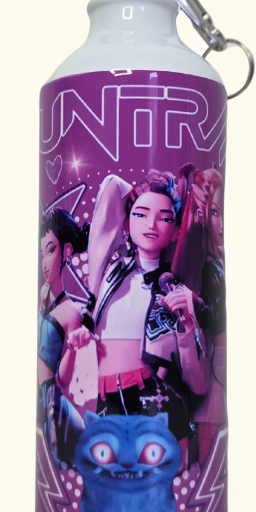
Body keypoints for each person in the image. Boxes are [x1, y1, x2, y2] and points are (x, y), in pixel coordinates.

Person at [68, 170, 208, 471]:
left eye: (164, 218)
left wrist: (186, 325)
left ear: (176, 230)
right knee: (108, 479)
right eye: (140, 214)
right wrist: (145, 190)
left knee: (167, 472)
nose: (151, 225)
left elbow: (197, 381)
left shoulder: (173, 287)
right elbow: (111, 188)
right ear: (127, 219)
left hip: (150, 395)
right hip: (106, 397)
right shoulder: (110, 269)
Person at [38, 209, 88, 465]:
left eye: (50, 251)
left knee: (52, 462)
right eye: (41, 254)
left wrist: (72, 347)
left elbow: (63, 379)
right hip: (36, 396)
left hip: (52, 403)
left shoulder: (71, 312)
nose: (44, 263)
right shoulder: (42, 297)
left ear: (66, 251)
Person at [189, 168, 227, 463]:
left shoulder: (215, 265)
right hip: (208, 361)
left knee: (209, 439)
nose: (221, 224)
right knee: (205, 439)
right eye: (214, 212)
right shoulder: (204, 264)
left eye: (221, 211)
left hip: (216, 360)